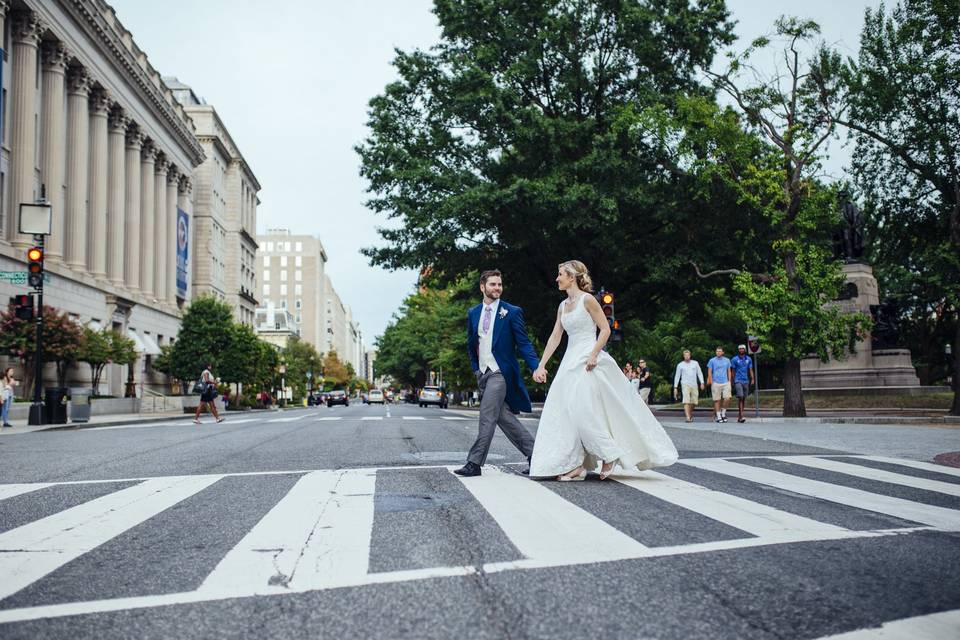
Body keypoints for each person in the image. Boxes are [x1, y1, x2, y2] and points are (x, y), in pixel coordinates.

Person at [530, 260, 678, 481]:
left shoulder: (587, 300)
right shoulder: (562, 306)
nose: (557, 278)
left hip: (587, 361)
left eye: (560, 274)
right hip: (569, 362)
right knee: (566, 413)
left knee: (582, 411)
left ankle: (609, 454)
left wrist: (593, 354)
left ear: (572, 277)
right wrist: (541, 365)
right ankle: (576, 464)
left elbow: (605, 329)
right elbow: (555, 336)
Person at [454, 270, 538, 477]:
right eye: (493, 284)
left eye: (499, 284)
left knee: (487, 415)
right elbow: (471, 343)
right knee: (503, 417)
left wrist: (536, 366)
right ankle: (536, 455)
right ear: (483, 287)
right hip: (483, 373)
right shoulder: (473, 313)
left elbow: (524, 343)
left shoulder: (512, 312)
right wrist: (476, 369)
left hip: (500, 373)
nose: (497, 288)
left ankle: (474, 463)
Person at [673, 350, 704, 423]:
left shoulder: (695, 363)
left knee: (694, 402)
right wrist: (675, 387)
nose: (687, 356)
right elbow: (677, 376)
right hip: (685, 384)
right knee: (686, 401)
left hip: (694, 384)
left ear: (690, 356)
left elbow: (699, 373)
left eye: (688, 355)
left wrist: (702, 382)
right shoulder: (680, 365)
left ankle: (689, 414)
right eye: (685, 355)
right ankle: (688, 417)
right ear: (683, 356)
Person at [706, 346, 734, 423]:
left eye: (720, 351)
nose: (718, 352)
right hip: (716, 382)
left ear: (723, 352)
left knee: (727, 398)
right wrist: (712, 383)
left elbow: (729, 371)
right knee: (717, 400)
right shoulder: (712, 360)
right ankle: (718, 416)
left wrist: (729, 381)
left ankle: (723, 413)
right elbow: (709, 372)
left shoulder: (727, 360)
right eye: (717, 351)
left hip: (725, 382)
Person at [730, 344, 755, 423]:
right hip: (738, 380)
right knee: (740, 396)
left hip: (746, 380)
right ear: (738, 350)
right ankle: (741, 416)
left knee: (743, 398)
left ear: (745, 350)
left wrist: (753, 378)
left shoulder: (748, 359)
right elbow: (733, 371)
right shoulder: (734, 359)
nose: (741, 350)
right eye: (740, 349)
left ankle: (740, 416)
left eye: (742, 349)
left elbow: (750, 369)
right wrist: (733, 380)